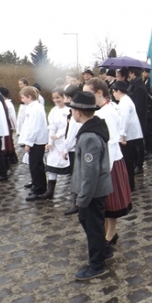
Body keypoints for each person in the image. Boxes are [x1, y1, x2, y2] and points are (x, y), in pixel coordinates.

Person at [67, 91, 113, 281]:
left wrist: (83, 198)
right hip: (92, 191)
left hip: (92, 192)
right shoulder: (90, 130)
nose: (71, 113)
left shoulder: (89, 137)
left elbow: (90, 173)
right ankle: (105, 250)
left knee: (93, 227)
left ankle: (97, 265)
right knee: (90, 222)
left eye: (72, 110)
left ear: (78, 112)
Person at [84, 78, 132, 247]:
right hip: (104, 162)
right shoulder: (101, 110)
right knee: (103, 202)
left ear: (99, 93)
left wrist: (105, 169)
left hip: (110, 162)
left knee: (111, 203)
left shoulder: (108, 113)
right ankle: (106, 231)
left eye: (88, 93)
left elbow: (110, 142)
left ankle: (110, 234)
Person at [112, 81, 143, 191]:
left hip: (128, 136)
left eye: (114, 91)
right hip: (129, 135)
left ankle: (130, 184)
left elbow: (124, 120)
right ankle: (129, 183)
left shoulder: (125, 103)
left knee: (127, 161)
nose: (113, 94)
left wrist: (122, 136)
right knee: (128, 160)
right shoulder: (124, 101)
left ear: (119, 91)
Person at [19, 86, 48, 201]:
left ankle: (39, 189)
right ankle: (37, 185)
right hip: (35, 141)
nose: (22, 100)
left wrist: (29, 142)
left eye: (23, 97)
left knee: (36, 166)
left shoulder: (35, 109)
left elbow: (34, 127)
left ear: (29, 97)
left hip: (37, 141)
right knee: (34, 165)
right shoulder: (33, 107)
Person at [42, 88, 71, 200]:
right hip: (55, 142)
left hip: (65, 140)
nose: (56, 100)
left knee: (69, 165)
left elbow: (68, 127)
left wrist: (58, 135)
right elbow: (52, 127)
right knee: (52, 165)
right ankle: (50, 191)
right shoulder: (53, 111)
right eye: (54, 98)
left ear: (64, 97)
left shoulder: (69, 110)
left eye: (58, 97)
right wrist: (50, 142)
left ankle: (74, 192)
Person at [63, 84, 83, 215]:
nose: (65, 100)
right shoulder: (73, 111)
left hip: (74, 149)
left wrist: (65, 149)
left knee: (76, 175)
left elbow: (71, 134)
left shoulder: (75, 112)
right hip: (74, 147)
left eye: (66, 97)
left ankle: (77, 202)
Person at [126, 67, 148, 175]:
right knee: (135, 143)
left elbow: (138, 106)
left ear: (132, 73)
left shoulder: (139, 87)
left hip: (138, 119)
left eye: (129, 73)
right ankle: (135, 162)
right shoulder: (134, 85)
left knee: (139, 143)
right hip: (135, 119)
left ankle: (139, 164)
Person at [143, 68, 152, 161]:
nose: (144, 74)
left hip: (151, 110)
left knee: (151, 132)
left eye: (146, 72)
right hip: (146, 111)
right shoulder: (145, 82)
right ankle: (147, 150)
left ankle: (151, 151)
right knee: (146, 132)